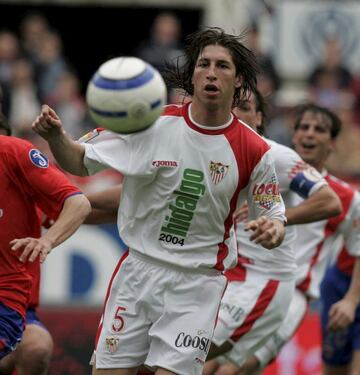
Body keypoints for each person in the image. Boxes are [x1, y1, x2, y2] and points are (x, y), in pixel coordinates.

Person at [32, 27, 287, 375]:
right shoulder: (151, 124)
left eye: (223, 66)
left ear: (238, 79)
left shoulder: (255, 150)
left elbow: (273, 213)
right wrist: (56, 136)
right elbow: (79, 159)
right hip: (138, 273)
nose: (211, 72)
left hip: (196, 284)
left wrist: (274, 227)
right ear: (193, 75)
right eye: (204, 64)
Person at [202, 92, 342, 375]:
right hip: (227, 276)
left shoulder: (276, 158)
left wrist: (278, 219)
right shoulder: (209, 155)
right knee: (195, 362)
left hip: (276, 285)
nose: (309, 135)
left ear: (261, 118)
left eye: (243, 107)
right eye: (303, 127)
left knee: (217, 362)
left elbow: (331, 203)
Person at [0, 111, 91, 374]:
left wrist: (48, 240)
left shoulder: (14, 154)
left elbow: (80, 204)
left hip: (8, 299)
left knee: (36, 347)